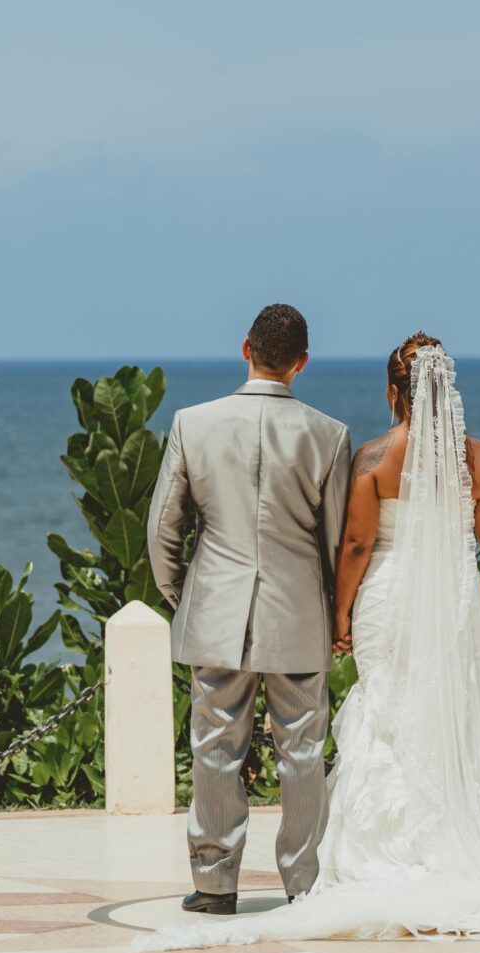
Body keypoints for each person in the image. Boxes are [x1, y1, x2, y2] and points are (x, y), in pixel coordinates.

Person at [139, 334, 480, 950]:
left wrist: (342, 612)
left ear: (392, 392)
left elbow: (351, 544)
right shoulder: (478, 462)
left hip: (374, 600)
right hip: (453, 601)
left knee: (358, 716)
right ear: (448, 395)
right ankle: (304, 878)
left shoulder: (374, 457)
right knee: (393, 723)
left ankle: (221, 882)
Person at [147, 303, 351, 914]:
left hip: (216, 610)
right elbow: (338, 542)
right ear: (302, 363)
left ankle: (214, 884)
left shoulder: (193, 423)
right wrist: (337, 614)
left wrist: (187, 599)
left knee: (214, 745)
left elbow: (164, 531)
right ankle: (304, 885)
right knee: (303, 750)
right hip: (300, 615)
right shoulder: (329, 434)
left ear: (245, 348)